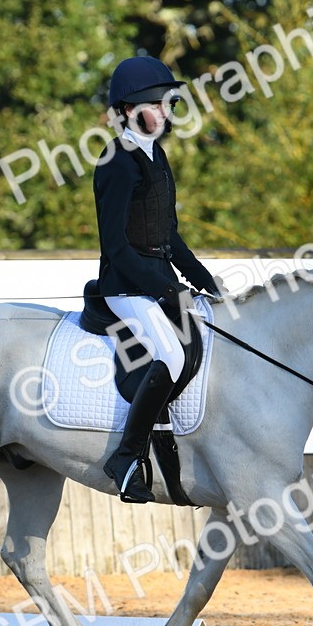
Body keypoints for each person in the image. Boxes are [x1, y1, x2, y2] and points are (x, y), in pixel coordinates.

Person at [93, 55, 220, 504]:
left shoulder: (157, 155)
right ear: (128, 110)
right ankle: (126, 458)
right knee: (169, 353)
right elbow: (116, 247)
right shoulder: (116, 162)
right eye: (155, 104)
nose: (164, 111)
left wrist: (202, 277)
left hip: (157, 280)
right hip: (125, 287)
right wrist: (165, 287)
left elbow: (168, 235)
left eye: (167, 103)